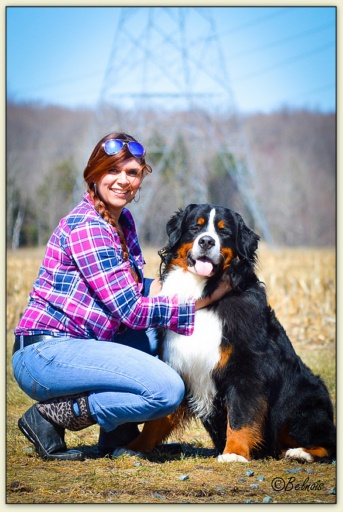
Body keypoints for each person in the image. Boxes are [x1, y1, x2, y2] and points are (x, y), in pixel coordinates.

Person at [12, 131, 231, 461]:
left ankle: (118, 435)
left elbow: (134, 288)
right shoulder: (89, 226)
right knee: (165, 389)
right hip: (48, 352)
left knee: (170, 346)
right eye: (113, 171)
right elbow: (130, 310)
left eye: (132, 172)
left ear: (141, 177)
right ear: (94, 174)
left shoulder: (121, 220)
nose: (123, 181)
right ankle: (50, 415)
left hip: (87, 345)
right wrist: (206, 299)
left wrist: (193, 282)